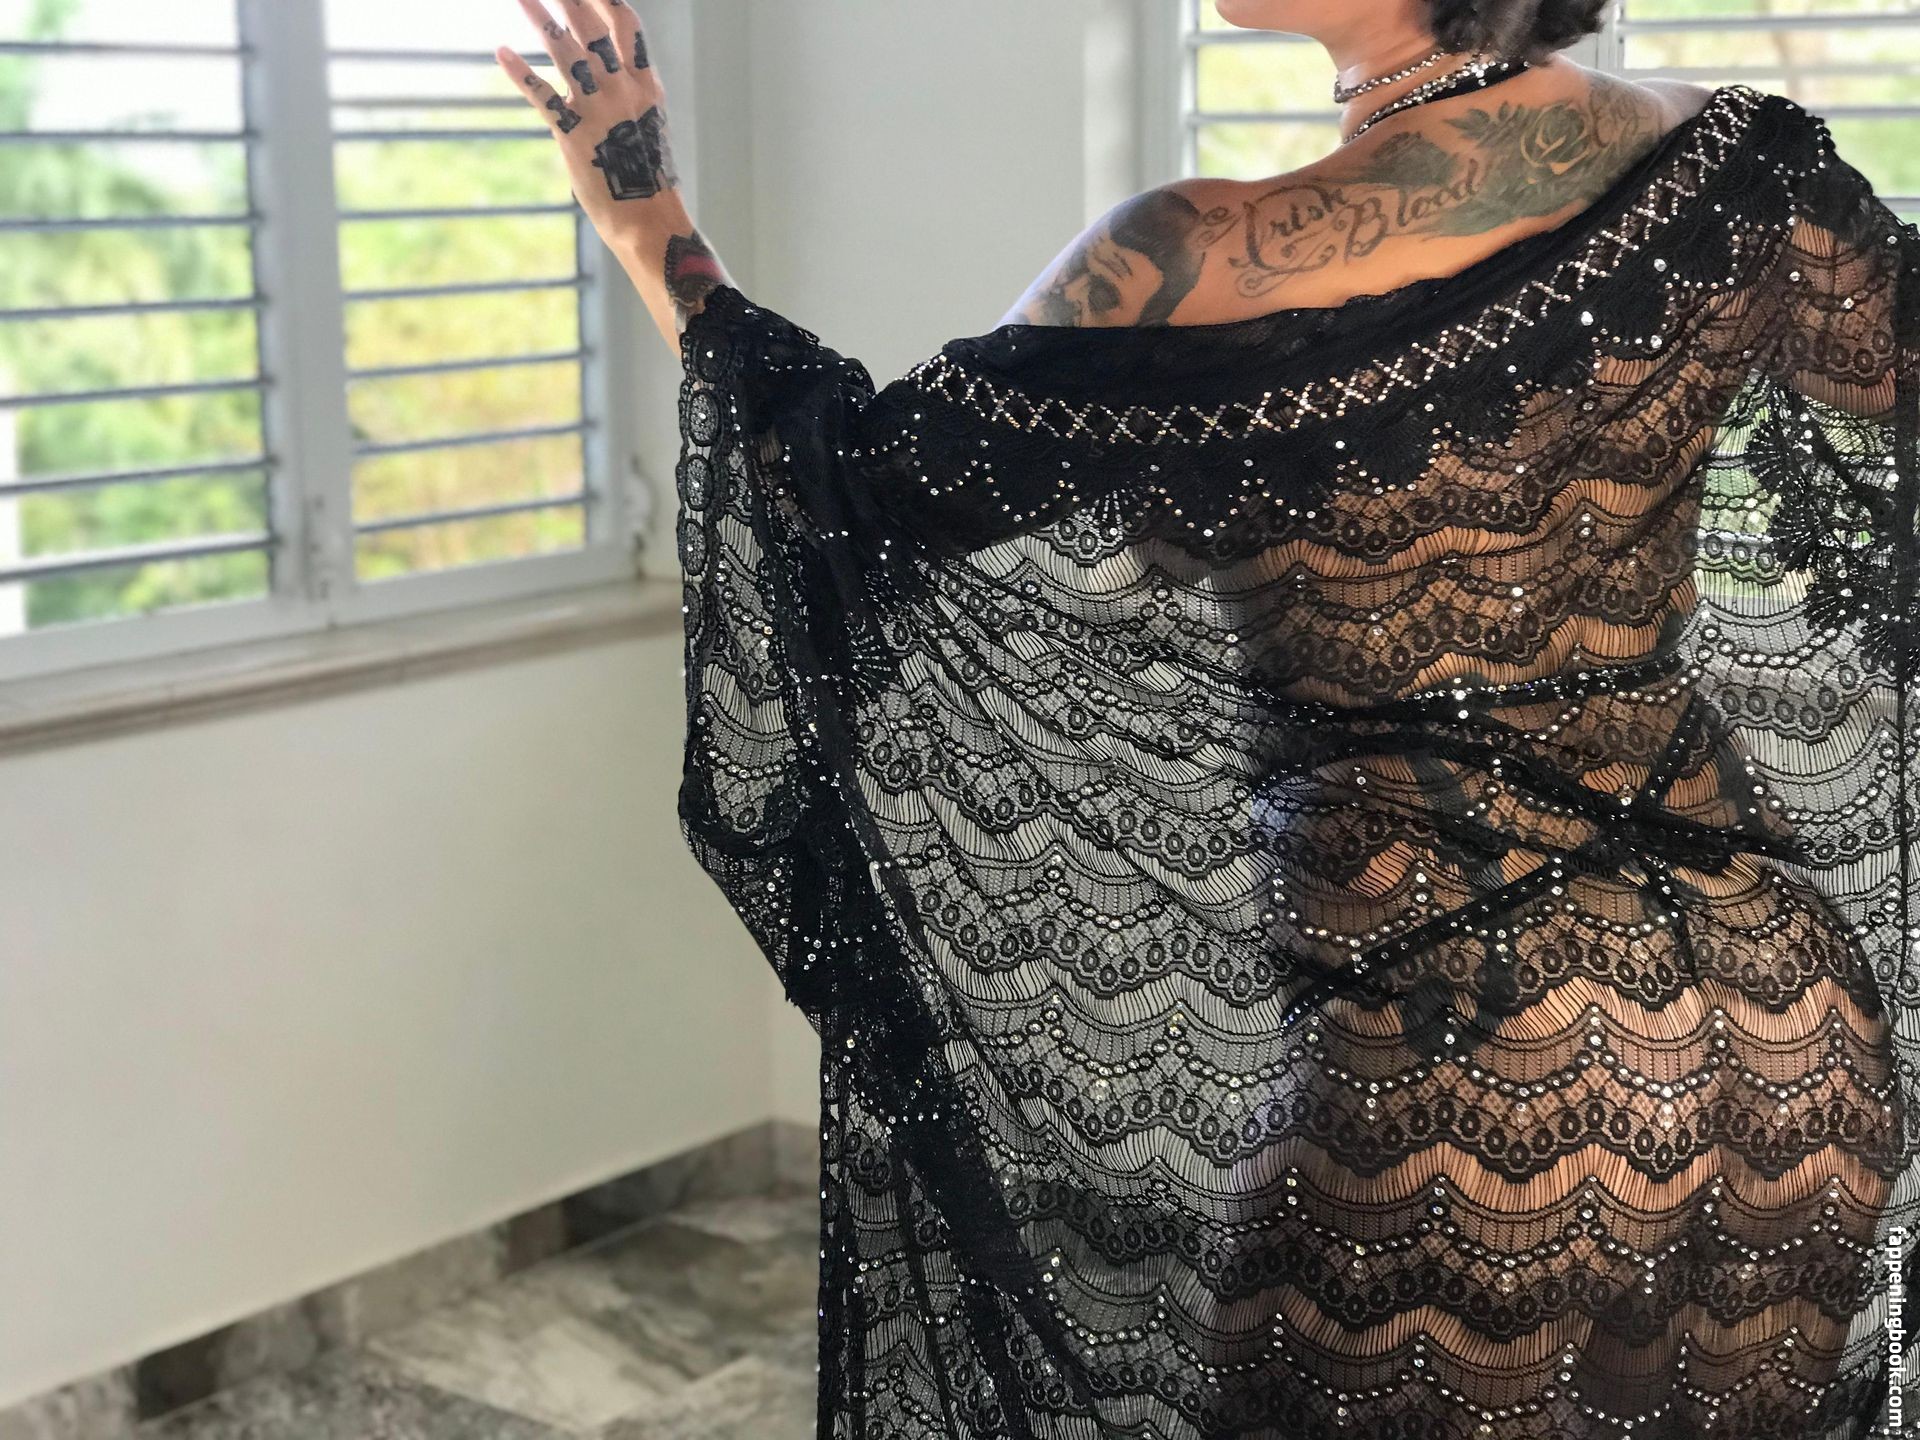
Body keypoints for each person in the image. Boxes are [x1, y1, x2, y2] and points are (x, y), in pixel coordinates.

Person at [498, 2, 1920, 1435]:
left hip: (1470, 1066)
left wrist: (643, 217)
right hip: (1786, 1011)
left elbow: (843, 488)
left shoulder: (1188, 254)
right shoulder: (1738, 162)